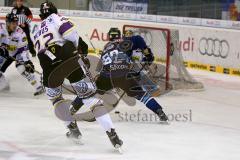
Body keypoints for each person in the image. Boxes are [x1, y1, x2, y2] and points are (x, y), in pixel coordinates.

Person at [32, 1, 123, 150]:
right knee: (90, 99)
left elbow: (41, 54)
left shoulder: (36, 31)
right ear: (54, 10)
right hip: (68, 60)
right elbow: (70, 33)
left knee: (56, 99)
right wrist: (76, 54)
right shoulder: (56, 17)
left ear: (41, 15)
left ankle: (73, 130)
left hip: (48, 68)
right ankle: (112, 135)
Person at [95, 28, 168, 122]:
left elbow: (102, 65)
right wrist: (148, 55)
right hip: (126, 73)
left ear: (109, 36)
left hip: (110, 75)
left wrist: (98, 75)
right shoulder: (130, 40)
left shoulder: (107, 46)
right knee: (142, 94)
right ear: (120, 35)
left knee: (92, 93)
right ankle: (159, 110)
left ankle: (81, 108)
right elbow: (139, 41)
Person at [0, 13, 44, 96]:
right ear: (7, 23)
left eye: (16, 23)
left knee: (22, 68)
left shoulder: (20, 33)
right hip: (4, 52)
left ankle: (39, 86)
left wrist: (27, 61)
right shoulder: (1, 28)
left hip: (17, 52)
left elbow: (23, 49)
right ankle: (4, 85)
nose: (15, 25)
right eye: (13, 23)